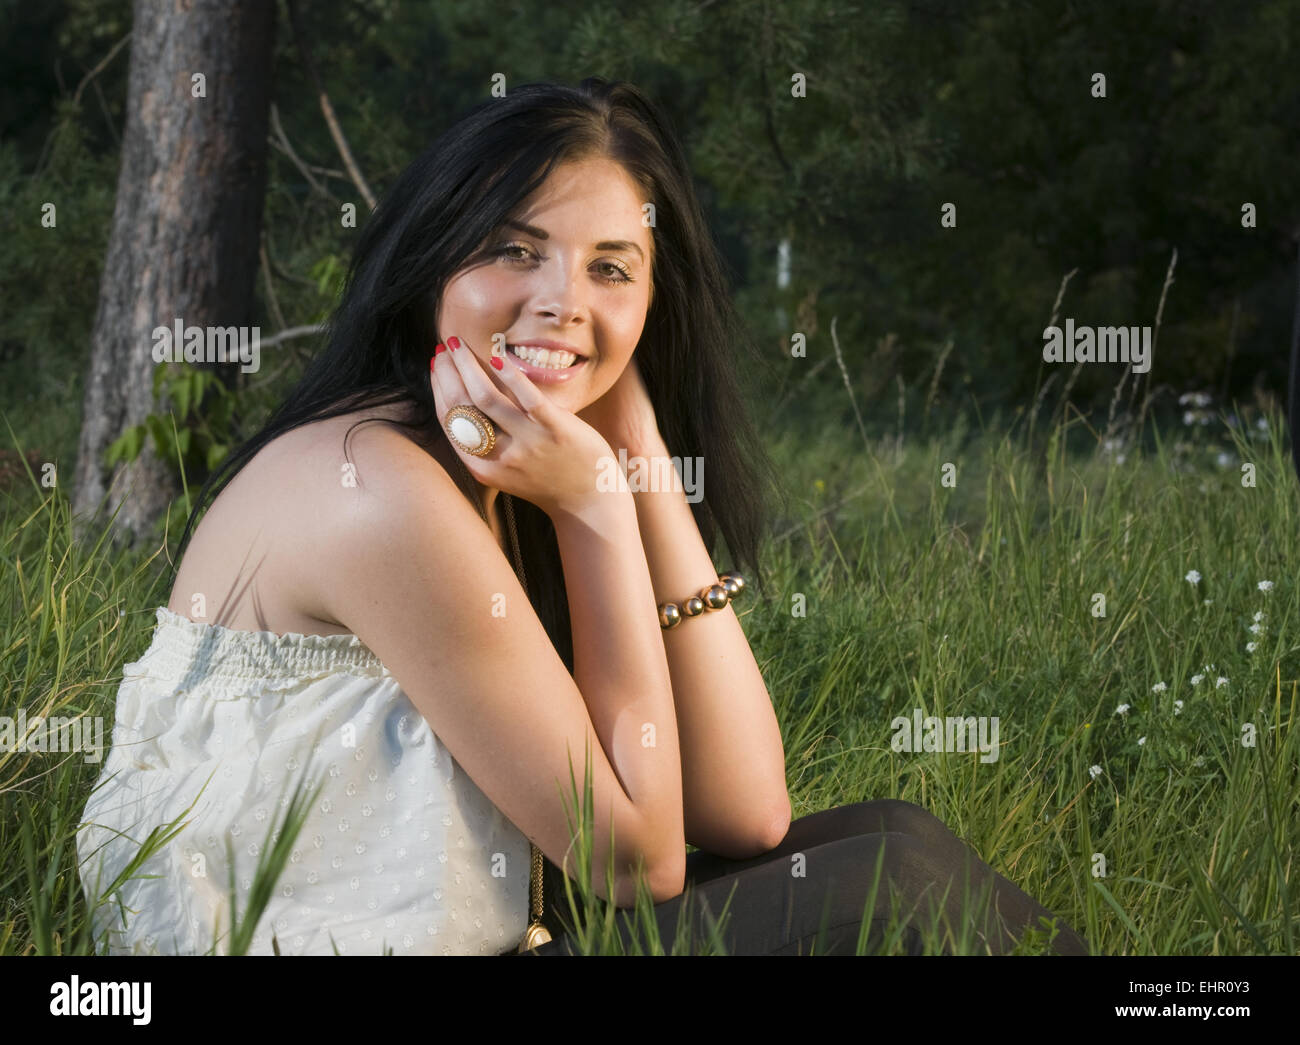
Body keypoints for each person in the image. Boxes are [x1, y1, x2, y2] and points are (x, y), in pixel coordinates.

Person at [76, 77, 1090, 956]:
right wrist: (597, 507)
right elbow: (634, 864)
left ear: (651, 303)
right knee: (893, 892)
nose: (564, 300)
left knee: (892, 836)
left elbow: (745, 808)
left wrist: (636, 448)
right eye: (516, 250)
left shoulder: (502, 467)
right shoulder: (374, 487)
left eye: (610, 267)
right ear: (432, 264)